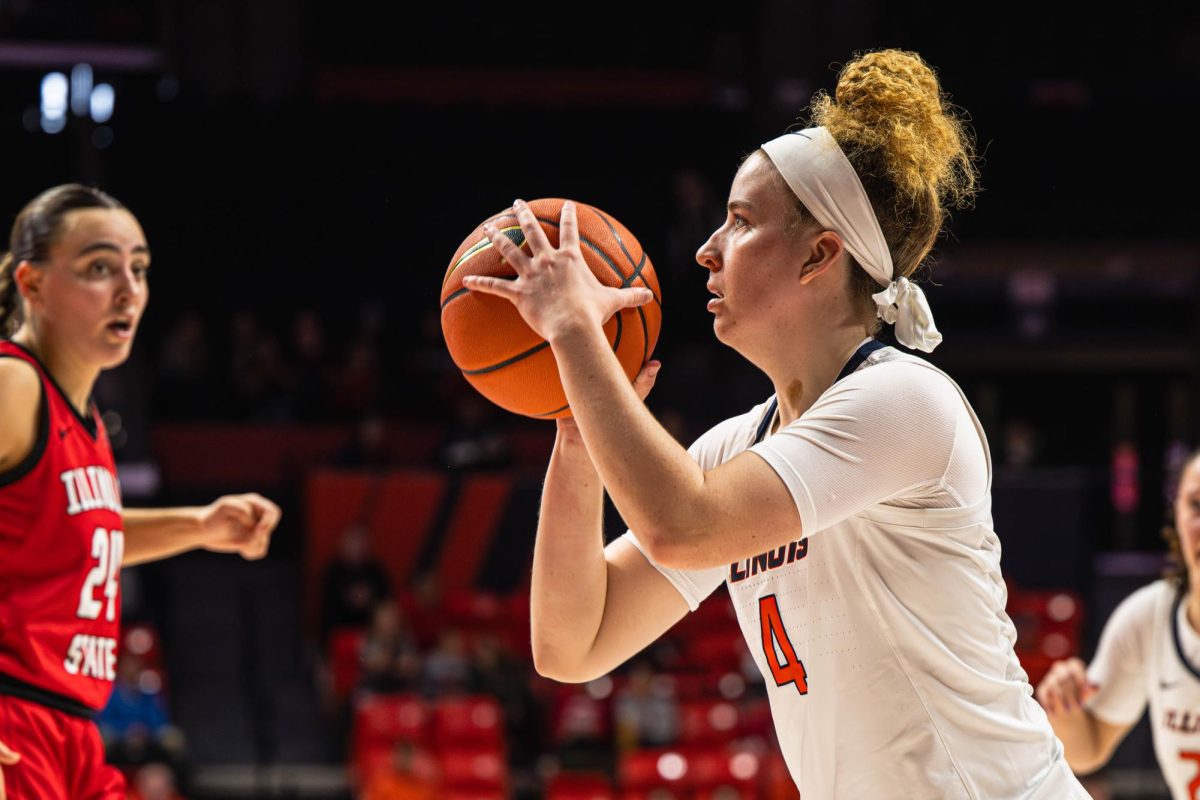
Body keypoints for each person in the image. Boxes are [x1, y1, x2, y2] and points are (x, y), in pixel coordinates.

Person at [465, 50, 1089, 797]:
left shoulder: (902, 402)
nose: (706, 249)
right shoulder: (735, 447)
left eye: (739, 221)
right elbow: (571, 644)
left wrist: (573, 332)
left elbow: (683, 526)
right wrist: (576, 428)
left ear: (819, 255)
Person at [0, 184, 282, 798]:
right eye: (99, 267)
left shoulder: (88, 417)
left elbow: (80, 536)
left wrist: (202, 527)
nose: (129, 289)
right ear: (33, 284)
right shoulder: (11, 387)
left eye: (139, 268)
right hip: (15, 722)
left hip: (73, 732)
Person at [1037, 449, 1200, 798]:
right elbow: (1089, 750)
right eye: (1197, 505)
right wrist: (1064, 708)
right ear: (1176, 516)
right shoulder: (1148, 616)